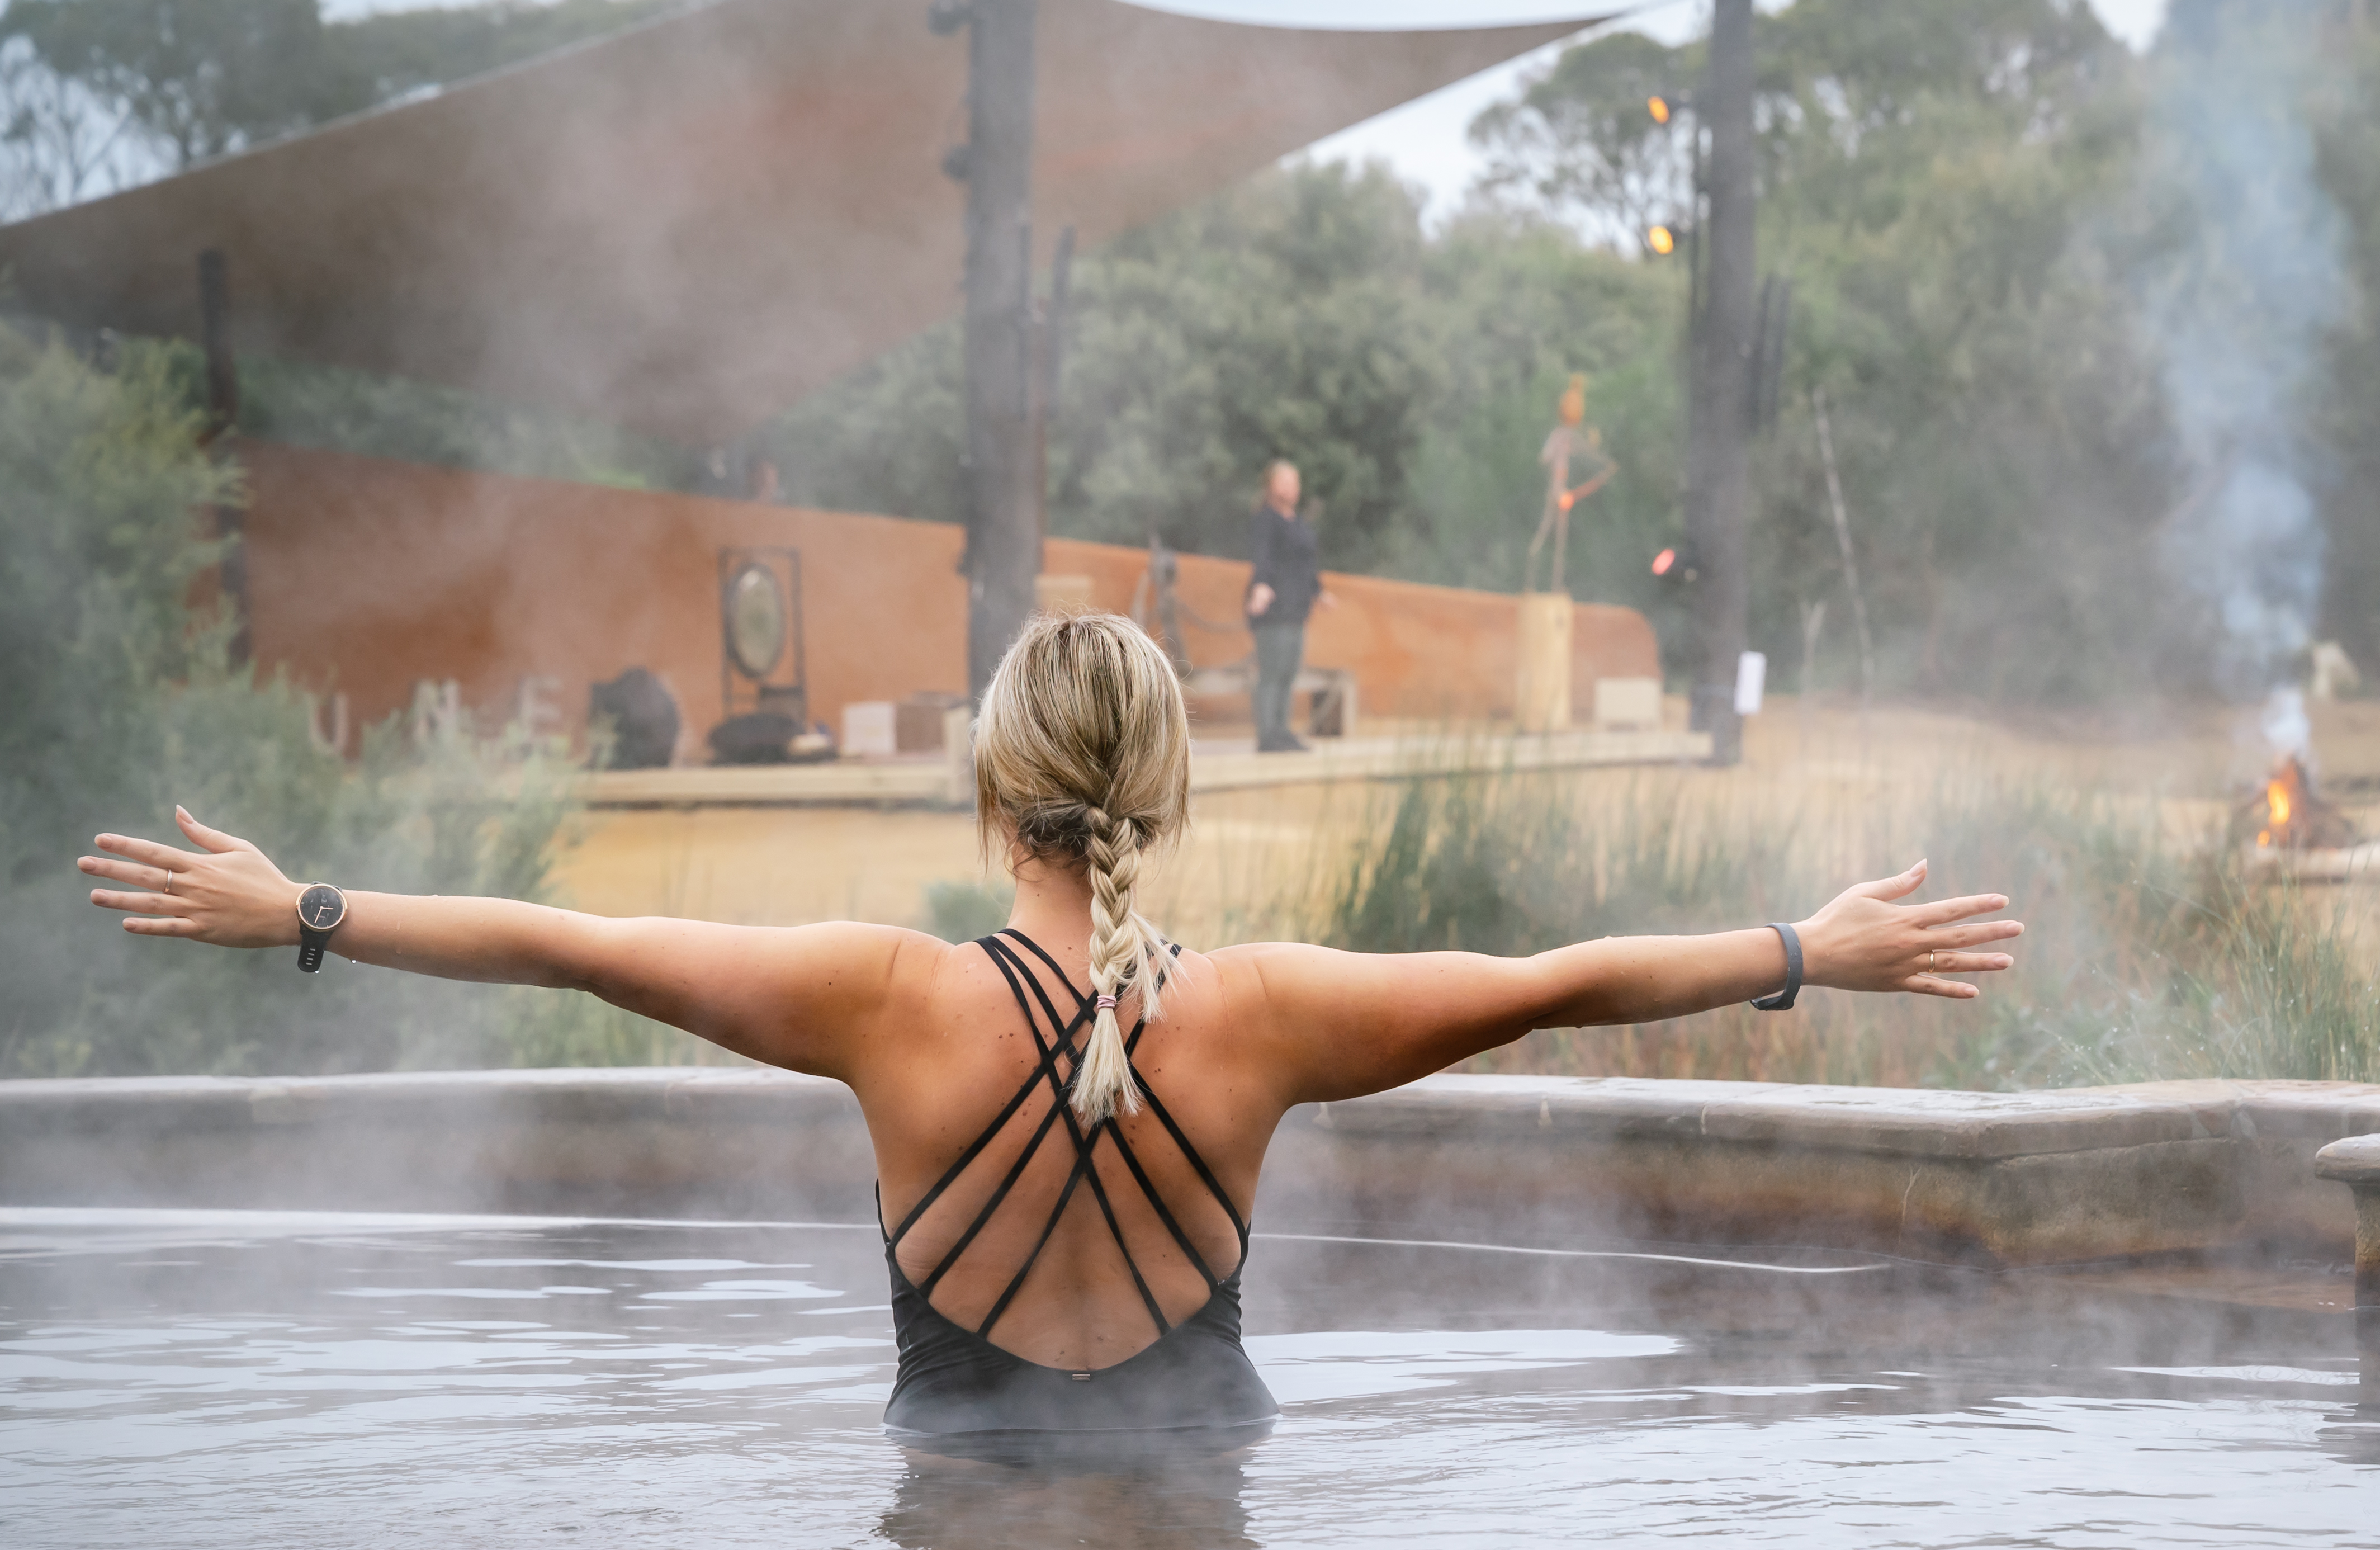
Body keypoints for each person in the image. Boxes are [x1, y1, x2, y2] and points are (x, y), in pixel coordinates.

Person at [75, 613, 2022, 1444]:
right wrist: (1799, 944)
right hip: (1204, 1543)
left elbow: (570, 940)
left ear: (990, 799)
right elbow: (1558, 980)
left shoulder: (885, 998)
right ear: (1159, 804)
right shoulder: (1255, 1014)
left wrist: (305, 906)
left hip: (964, 1532)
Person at [1243, 460, 1331, 753]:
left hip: (1296, 610)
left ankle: (1282, 731)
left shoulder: (1299, 524)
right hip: (1273, 610)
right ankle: (1268, 734)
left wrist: (1320, 592)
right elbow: (1263, 556)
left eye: (1294, 482)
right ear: (1270, 485)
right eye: (1284, 481)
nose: (1290, 487)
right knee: (1272, 672)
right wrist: (1261, 586)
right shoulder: (1266, 520)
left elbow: (1307, 564)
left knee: (1289, 673)